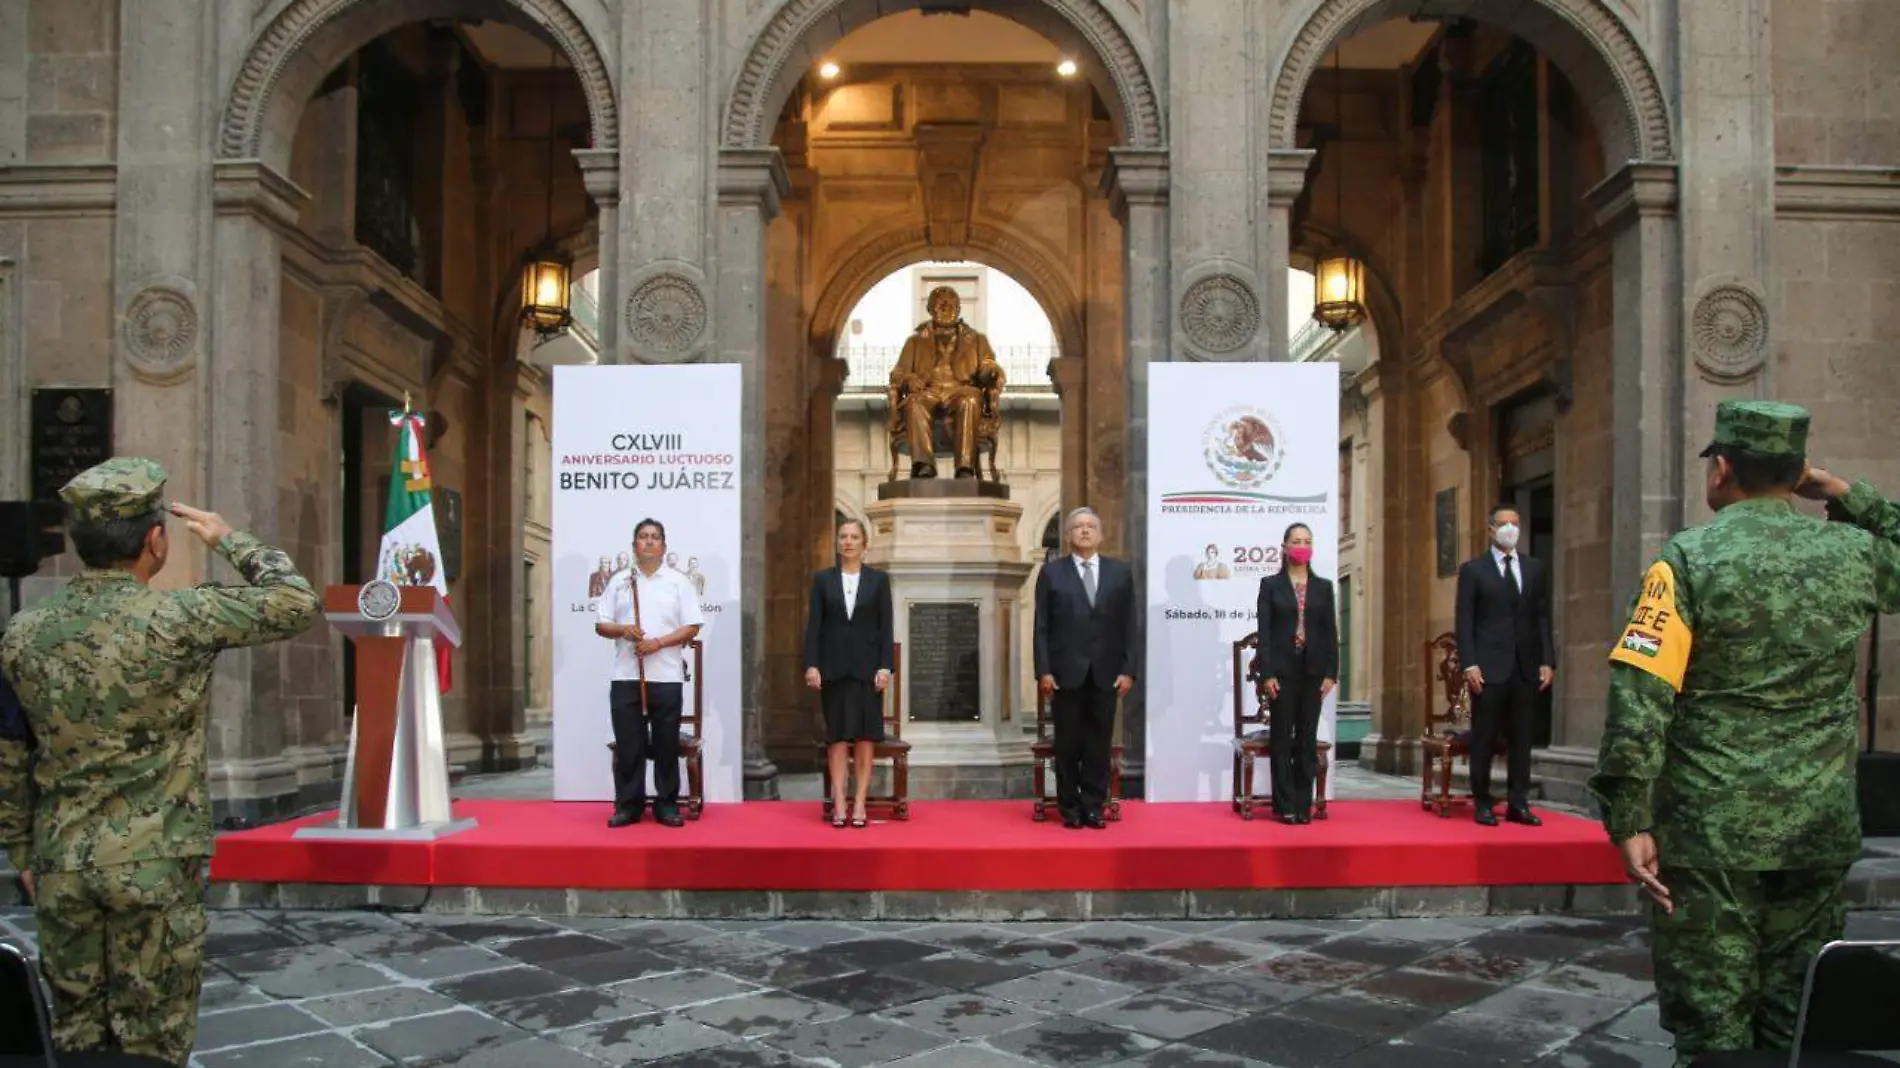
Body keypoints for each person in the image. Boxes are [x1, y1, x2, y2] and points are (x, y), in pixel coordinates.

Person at [1587, 401, 1900, 1067]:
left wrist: (1629, 814)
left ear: (1722, 468)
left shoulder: (1688, 559)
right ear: (1797, 474)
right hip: (1815, 832)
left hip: (1710, 836)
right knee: (1799, 1019)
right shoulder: (1853, 554)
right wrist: (1849, 493)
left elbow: (1642, 696)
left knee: (1712, 1027)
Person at [0, 457, 321, 1065]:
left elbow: (10, 754)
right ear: (155, 539)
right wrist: (228, 538)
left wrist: (22, 854)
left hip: (61, 862)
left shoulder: (23, 632)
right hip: (155, 860)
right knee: (152, 1040)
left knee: (74, 1037)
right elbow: (294, 602)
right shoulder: (181, 617)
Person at [595, 518, 703, 828]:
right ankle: (629, 805)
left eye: (655, 537)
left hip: (666, 677)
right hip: (626, 676)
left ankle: (667, 804)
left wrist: (658, 643)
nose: (650, 541)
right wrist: (624, 630)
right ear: (634, 546)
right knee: (629, 744)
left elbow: (692, 626)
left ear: (664, 546)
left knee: (666, 744)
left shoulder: (679, 582)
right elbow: (602, 624)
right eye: (643, 537)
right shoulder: (620, 581)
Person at [1033, 507, 1137, 830]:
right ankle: (1069, 807)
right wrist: (1044, 671)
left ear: (1101, 534)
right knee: (1067, 743)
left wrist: (1129, 669)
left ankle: (1093, 805)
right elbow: (1042, 627)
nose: (1085, 531)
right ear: (1068, 535)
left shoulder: (1120, 573)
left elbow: (1129, 625)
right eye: (1078, 526)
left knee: (1098, 743)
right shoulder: (1052, 573)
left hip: (1106, 672)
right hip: (1065, 673)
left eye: (1091, 525)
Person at [1454, 502, 1555, 825]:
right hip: (1488, 668)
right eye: (1504, 523)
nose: (1511, 528)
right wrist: (1469, 663)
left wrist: (1547, 660)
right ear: (1491, 530)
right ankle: (1482, 801)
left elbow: (1542, 617)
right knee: (1484, 737)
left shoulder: (1535, 568)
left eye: (1516, 523)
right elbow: (1464, 621)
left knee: (1522, 739)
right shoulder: (1474, 571)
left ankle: (1518, 802)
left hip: (1525, 667)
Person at [802, 519, 894, 829]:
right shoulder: (823, 580)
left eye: (854, 537)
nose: (848, 541)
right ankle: (839, 800)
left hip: (868, 672)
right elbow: (814, 626)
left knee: (865, 738)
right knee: (838, 738)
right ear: (837, 543)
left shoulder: (879, 581)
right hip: (834, 668)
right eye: (843, 536)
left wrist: (885, 667)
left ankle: (860, 803)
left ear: (864, 544)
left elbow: (886, 628)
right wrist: (811, 664)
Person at [1253, 523, 1337, 824]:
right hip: (1282, 672)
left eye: (1307, 541)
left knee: (1306, 738)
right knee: (1282, 738)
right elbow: (1265, 634)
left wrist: (1331, 673)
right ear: (1285, 547)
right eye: (1296, 541)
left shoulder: (1324, 587)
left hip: (1313, 672)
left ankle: (1303, 803)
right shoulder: (1270, 585)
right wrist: (1268, 674)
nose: (1302, 545)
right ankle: (1285, 804)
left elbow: (1330, 632)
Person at [887, 286, 1005, 479]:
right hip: (928, 390)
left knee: (970, 400)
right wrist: (908, 379)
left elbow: (987, 364)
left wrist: (991, 372)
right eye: (941, 304)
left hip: (961, 390)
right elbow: (898, 373)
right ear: (931, 309)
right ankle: (924, 465)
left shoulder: (976, 340)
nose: (946, 308)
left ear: (958, 309)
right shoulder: (915, 342)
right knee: (914, 403)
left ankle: (965, 467)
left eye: (951, 305)